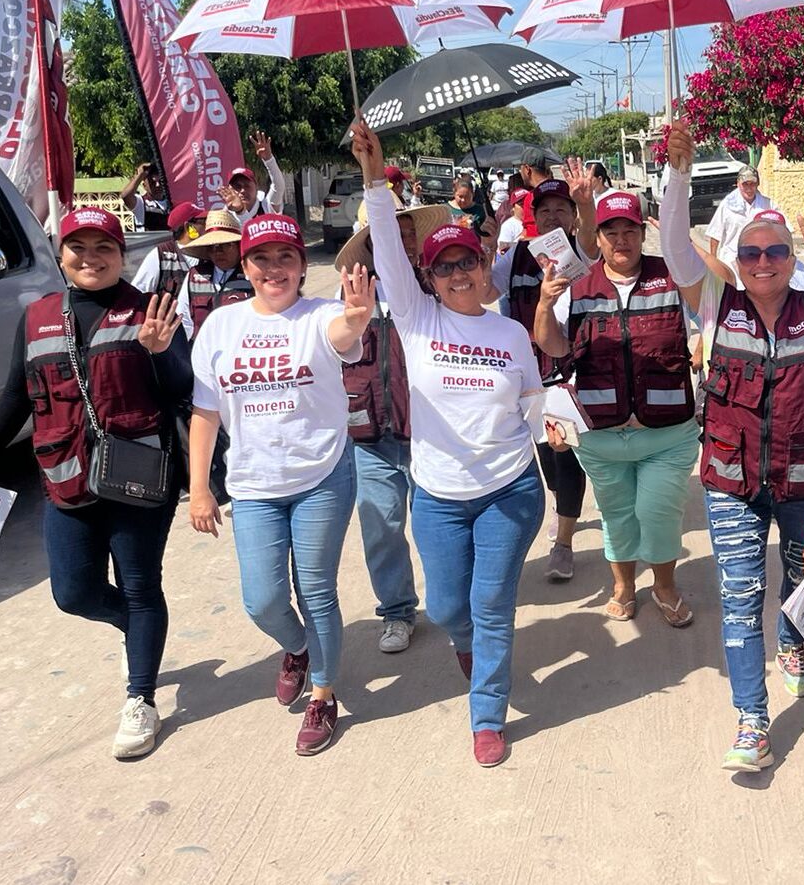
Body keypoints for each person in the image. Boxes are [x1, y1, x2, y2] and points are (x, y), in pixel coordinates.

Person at [658, 123, 804, 772]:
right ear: (735, 256)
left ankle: (793, 642)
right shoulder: (713, 302)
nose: (762, 262)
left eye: (775, 251)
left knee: (800, 577)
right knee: (738, 593)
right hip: (730, 480)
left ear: (792, 256)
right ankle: (752, 720)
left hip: (803, 483)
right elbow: (675, 250)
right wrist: (677, 174)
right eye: (751, 252)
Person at [0, 207, 190, 760]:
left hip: (138, 480)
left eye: (103, 247)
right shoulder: (36, 318)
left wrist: (160, 352)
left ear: (121, 255)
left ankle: (141, 696)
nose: (91, 258)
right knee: (72, 593)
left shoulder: (149, 310)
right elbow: (15, 396)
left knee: (140, 585)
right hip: (66, 480)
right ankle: (141, 629)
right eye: (78, 247)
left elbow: (183, 386)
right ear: (61, 256)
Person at [352, 117, 546, 768]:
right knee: (445, 605)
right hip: (437, 496)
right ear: (428, 277)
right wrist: (374, 180)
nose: (458, 272)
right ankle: (467, 643)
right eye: (445, 266)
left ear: (482, 261)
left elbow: (533, 405)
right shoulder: (414, 317)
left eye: (467, 260)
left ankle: (486, 712)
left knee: (491, 604)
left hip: (508, 493)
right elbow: (385, 249)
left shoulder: (512, 337)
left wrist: (553, 427)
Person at [188, 213, 374, 757]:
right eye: (262, 259)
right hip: (253, 486)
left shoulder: (322, 315)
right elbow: (205, 412)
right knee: (262, 599)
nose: (275, 269)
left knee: (315, 590)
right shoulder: (221, 326)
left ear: (300, 264)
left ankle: (323, 693)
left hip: (321, 475)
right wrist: (201, 488)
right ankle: (296, 648)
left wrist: (358, 319)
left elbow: (342, 336)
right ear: (245, 265)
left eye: (286, 258)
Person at [535, 188, 697, 629]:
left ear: (643, 234)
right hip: (601, 434)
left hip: (667, 431)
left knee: (657, 511)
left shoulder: (674, 278)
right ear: (598, 237)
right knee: (617, 513)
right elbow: (552, 345)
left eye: (630, 230)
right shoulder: (577, 285)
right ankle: (624, 585)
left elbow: (710, 315)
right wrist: (546, 303)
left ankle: (664, 585)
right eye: (611, 232)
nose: (621, 240)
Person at [334, 202, 451, 654]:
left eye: (407, 233)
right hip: (369, 439)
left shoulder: (434, 289)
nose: (401, 242)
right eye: (388, 233)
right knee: (380, 527)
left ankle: (452, 603)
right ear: (368, 242)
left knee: (436, 527)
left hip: (426, 433)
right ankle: (397, 611)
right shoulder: (346, 297)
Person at [491, 165, 598, 581]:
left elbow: (590, 235)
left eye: (561, 208)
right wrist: (487, 246)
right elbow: (486, 291)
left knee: (563, 451)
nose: (554, 216)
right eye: (545, 208)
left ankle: (564, 543)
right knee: (546, 460)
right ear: (533, 213)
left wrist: (586, 206)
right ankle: (561, 507)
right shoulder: (517, 254)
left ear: (571, 216)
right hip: (524, 376)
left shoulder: (583, 251)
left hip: (568, 373)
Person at [176, 209, 252, 339]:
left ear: (239, 246)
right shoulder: (195, 275)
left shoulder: (252, 275)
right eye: (212, 246)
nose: (218, 251)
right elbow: (184, 320)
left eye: (226, 245)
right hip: (202, 352)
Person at [132, 202, 205, 296]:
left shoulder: (210, 255)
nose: (207, 226)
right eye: (202, 222)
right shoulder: (160, 255)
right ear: (189, 227)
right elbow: (138, 293)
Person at [221, 130, 287, 225]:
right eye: (237, 187)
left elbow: (279, 186)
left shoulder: (267, 206)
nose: (242, 191)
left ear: (256, 187)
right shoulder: (225, 217)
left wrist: (269, 159)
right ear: (228, 190)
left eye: (247, 186)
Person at [119, 162, 171, 230]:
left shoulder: (171, 202)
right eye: (152, 183)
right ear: (144, 186)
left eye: (160, 182)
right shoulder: (140, 203)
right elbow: (125, 196)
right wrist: (140, 175)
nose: (157, 185)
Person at [516, 151, 554, 238]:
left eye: (520, 169)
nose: (520, 173)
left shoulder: (531, 197)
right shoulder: (558, 191)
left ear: (527, 169)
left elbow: (550, 236)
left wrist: (525, 241)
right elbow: (528, 229)